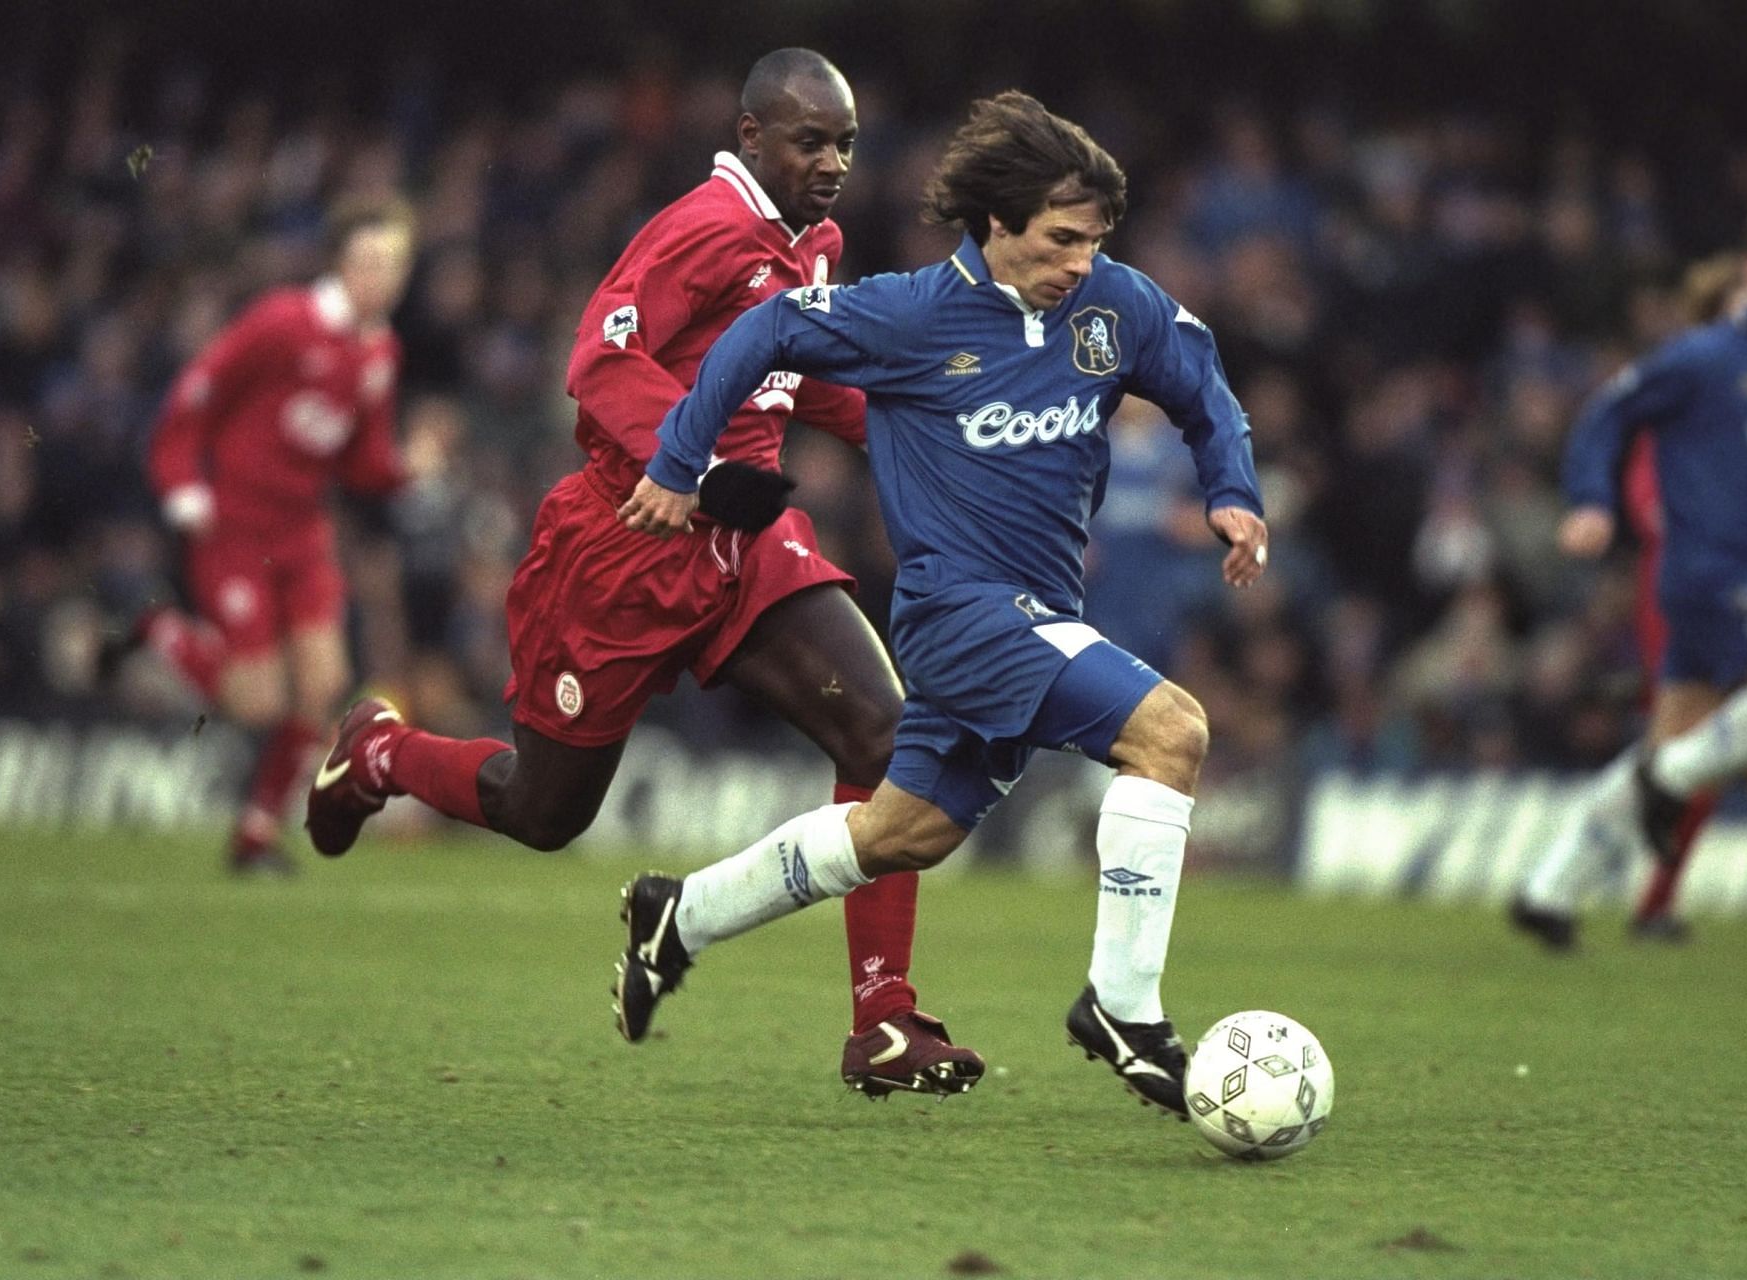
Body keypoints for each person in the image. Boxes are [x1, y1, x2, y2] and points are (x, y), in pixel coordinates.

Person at [302, 50, 985, 1099]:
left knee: (888, 739)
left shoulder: (814, 241)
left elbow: (798, 374)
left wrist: (919, 428)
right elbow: (597, 357)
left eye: (845, 142)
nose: (834, 162)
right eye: (811, 140)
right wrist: (698, 466)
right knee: (544, 810)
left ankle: (883, 1019)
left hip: (744, 543)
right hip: (627, 542)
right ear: (752, 137)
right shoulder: (703, 228)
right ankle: (380, 752)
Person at [613, 90, 1268, 1119]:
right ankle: (1125, 1008)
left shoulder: (1113, 306)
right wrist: (680, 457)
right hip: (960, 613)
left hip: (1040, 608)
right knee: (1172, 733)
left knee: (898, 834)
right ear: (997, 225)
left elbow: (1201, 383)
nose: (1080, 262)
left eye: (1095, 239)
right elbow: (764, 331)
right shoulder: (910, 315)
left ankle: (678, 914)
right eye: (1061, 239)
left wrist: (1232, 491)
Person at [1511, 188, 1747, 949]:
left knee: (1746, 759)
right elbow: (1606, 413)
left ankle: (1548, 888)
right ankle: (1670, 784)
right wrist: (1593, 499)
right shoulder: (1706, 358)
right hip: (1707, 575)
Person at [141, 196, 416, 875]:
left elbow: (362, 462)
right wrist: (181, 483)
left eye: (394, 266)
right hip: (235, 526)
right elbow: (198, 391)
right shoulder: (282, 323)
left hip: (302, 532)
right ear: (340, 263)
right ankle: (158, 630)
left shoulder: (380, 351)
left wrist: (410, 466)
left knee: (323, 684)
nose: (382, 278)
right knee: (254, 702)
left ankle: (255, 834)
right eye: (370, 262)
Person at [1617, 253, 1747, 941]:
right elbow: (1649, 502)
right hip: (1698, 592)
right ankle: (1650, 900)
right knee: (1708, 748)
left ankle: (1635, 817)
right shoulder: (1688, 402)